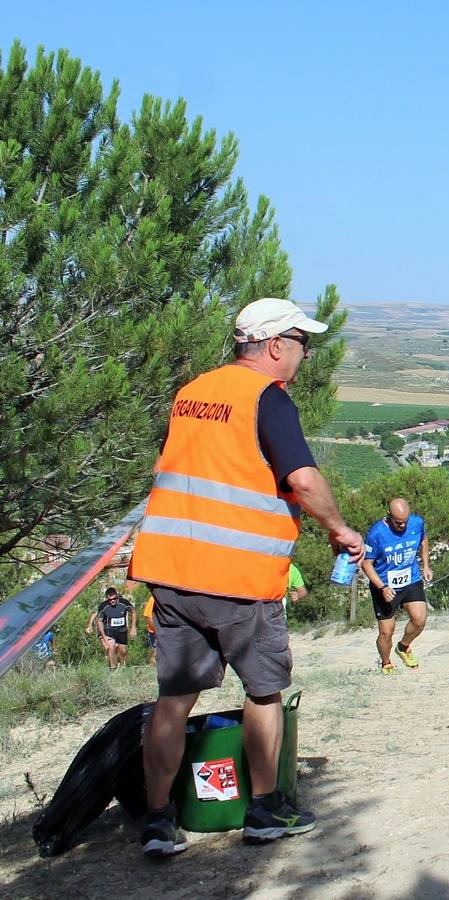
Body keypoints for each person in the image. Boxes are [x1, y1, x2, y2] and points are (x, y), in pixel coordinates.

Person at [128, 297, 363, 858]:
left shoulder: (192, 394)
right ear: (276, 345)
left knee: (174, 700)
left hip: (173, 573)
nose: (306, 354)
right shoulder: (268, 399)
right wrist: (339, 528)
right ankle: (264, 810)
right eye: (303, 343)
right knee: (263, 692)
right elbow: (302, 480)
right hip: (238, 578)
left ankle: (159, 820)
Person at [362, 499, 433, 674]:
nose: (402, 526)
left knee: (420, 620)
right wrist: (382, 587)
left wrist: (426, 565)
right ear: (388, 516)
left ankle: (403, 647)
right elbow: (366, 564)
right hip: (385, 585)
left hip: (411, 579)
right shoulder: (376, 533)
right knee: (387, 631)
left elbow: (423, 540)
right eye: (398, 522)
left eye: (405, 522)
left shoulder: (417, 522)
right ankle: (386, 663)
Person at [86, 587, 134, 669]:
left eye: (115, 598)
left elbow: (133, 612)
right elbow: (95, 615)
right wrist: (89, 626)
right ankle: (112, 668)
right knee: (111, 648)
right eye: (110, 599)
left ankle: (122, 666)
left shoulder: (123, 604)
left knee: (122, 651)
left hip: (121, 630)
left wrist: (132, 627)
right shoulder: (104, 606)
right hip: (107, 629)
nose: (112, 601)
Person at [141, 591, 158, 667]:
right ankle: (153, 671)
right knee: (155, 651)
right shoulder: (153, 599)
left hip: (167, 631)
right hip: (155, 632)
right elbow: (148, 617)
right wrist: (158, 631)